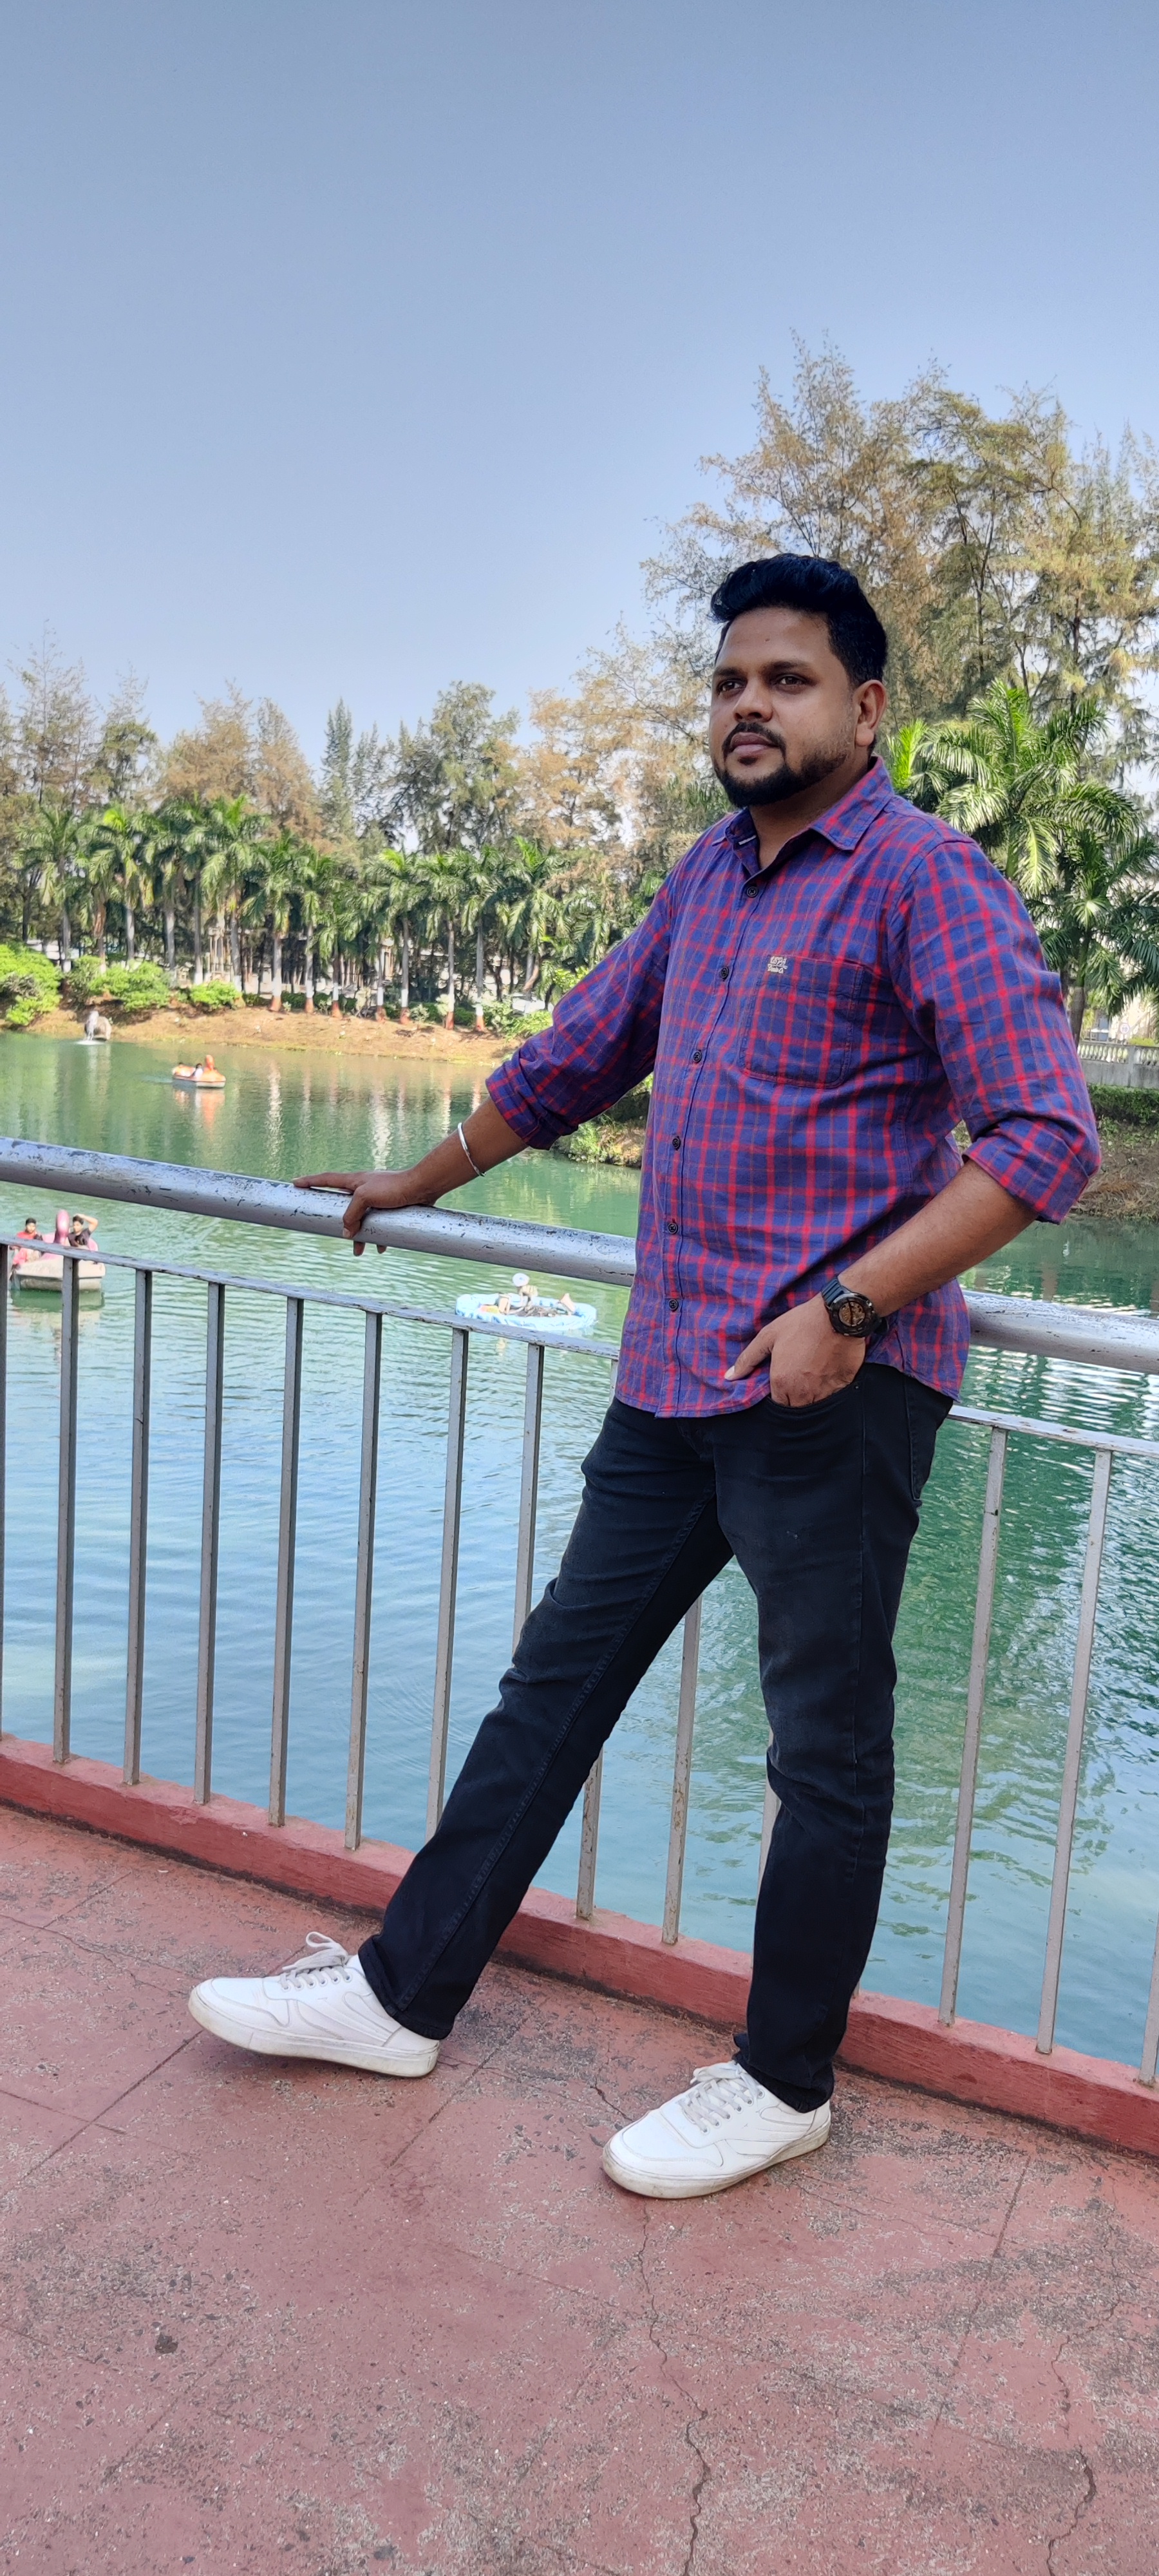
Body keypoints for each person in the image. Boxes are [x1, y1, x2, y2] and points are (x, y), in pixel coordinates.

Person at [189, 554, 1100, 2201]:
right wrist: (417, 1177)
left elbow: (1045, 1137)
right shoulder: (710, 879)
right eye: (731, 680)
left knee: (823, 1749)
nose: (750, 705)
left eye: (787, 679)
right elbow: (577, 1054)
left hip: (830, 1396)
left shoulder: (927, 878)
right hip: (674, 1378)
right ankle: (400, 1994)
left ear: (866, 709)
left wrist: (849, 1305)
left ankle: (783, 2080)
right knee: (550, 1691)